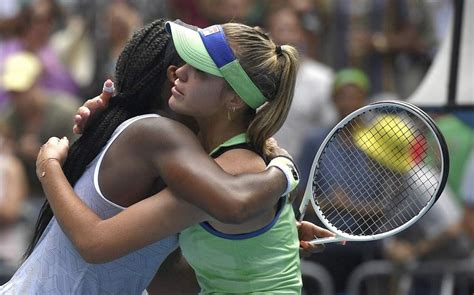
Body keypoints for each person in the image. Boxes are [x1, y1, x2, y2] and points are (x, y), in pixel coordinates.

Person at [0, 19, 326, 294]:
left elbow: (96, 243)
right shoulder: (180, 147)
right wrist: (268, 232)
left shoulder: (209, 159)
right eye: (180, 63)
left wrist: (48, 166)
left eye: (199, 69)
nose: (179, 72)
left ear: (235, 100)